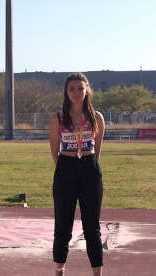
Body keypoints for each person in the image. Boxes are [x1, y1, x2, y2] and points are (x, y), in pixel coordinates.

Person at [49, 73, 105, 276]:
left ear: (86, 90)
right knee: (63, 226)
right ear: (66, 91)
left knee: (92, 227)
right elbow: (54, 150)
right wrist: (66, 167)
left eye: (80, 88)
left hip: (89, 170)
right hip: (65, 169)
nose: (75, 92)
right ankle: (59, 272)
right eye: (71, 88)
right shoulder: (58, 118)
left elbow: (97, 150)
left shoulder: (96, 117)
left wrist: (88, 166)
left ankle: (97, 273)